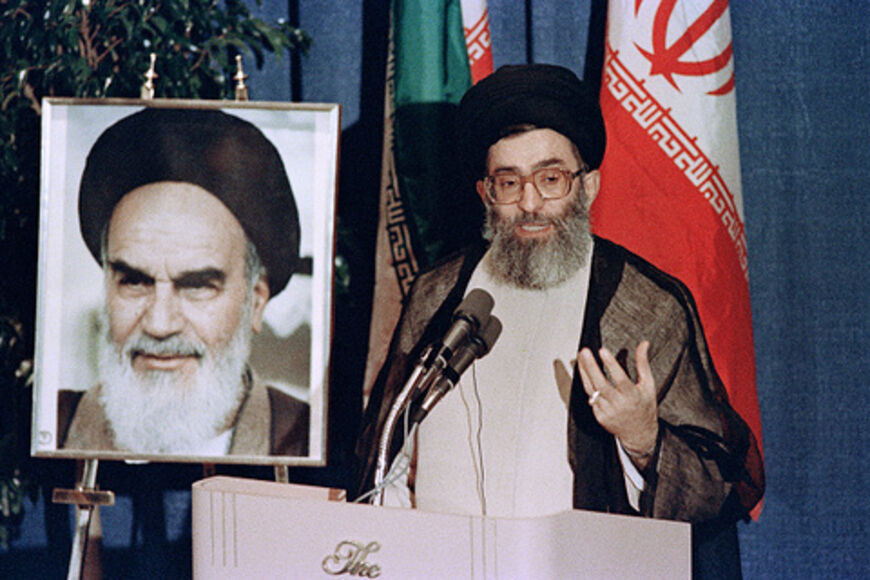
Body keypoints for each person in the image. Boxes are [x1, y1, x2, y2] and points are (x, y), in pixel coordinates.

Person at [356, 64, 764, 577]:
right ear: (486, 193)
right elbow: (386, 460)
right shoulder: (437, 295)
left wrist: (644, 439)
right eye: (509, 182)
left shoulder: (647, 305)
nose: (530, 204)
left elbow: (722, 482)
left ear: (587, 186)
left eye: (550, 179)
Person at [57, 107, 309, 457]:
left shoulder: (301, 439)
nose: (159, 325)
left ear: (256, 300)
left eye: (197, 286)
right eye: (134, 282)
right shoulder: (51, 429)